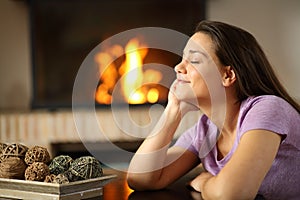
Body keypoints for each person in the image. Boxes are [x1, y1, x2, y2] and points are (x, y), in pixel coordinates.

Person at [127, 20, 300, 200]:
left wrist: (205, 182)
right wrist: (173, 110)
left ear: (227, 75)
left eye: (194, 60)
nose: (178, 67)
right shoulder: (205, 131)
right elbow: (141, 178)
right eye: (182, 59)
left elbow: (231, 194)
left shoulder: (268, 108)